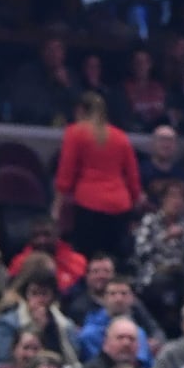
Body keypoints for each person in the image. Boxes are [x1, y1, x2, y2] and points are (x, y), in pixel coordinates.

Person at [54, 92, 142, 263]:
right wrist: (136, 203)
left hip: (89, 204)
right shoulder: (120, 137)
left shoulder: (75, 133)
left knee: (86, 258)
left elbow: (66, 172)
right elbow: (132, 176)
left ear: (80, 110)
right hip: (120, 206)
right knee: (115, 259)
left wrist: (57, 206)